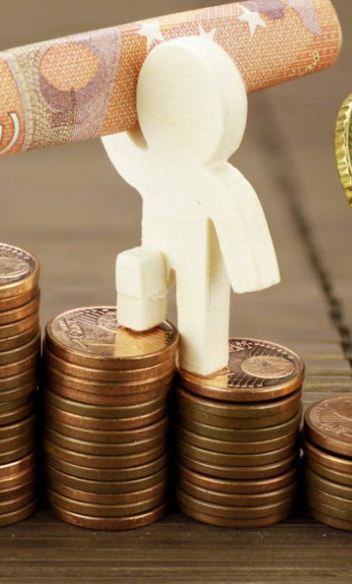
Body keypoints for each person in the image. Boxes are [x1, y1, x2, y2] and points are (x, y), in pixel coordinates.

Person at [102, 36, 280, 376]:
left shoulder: (213, 181)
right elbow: (121, 145)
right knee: (136, 270)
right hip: (155, 247)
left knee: (199, 318)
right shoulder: (152, 162)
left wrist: (250, 273)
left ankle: (199, 368)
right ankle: (136, 347)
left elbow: (238, 217)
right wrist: (109, 95)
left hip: (198, 263)